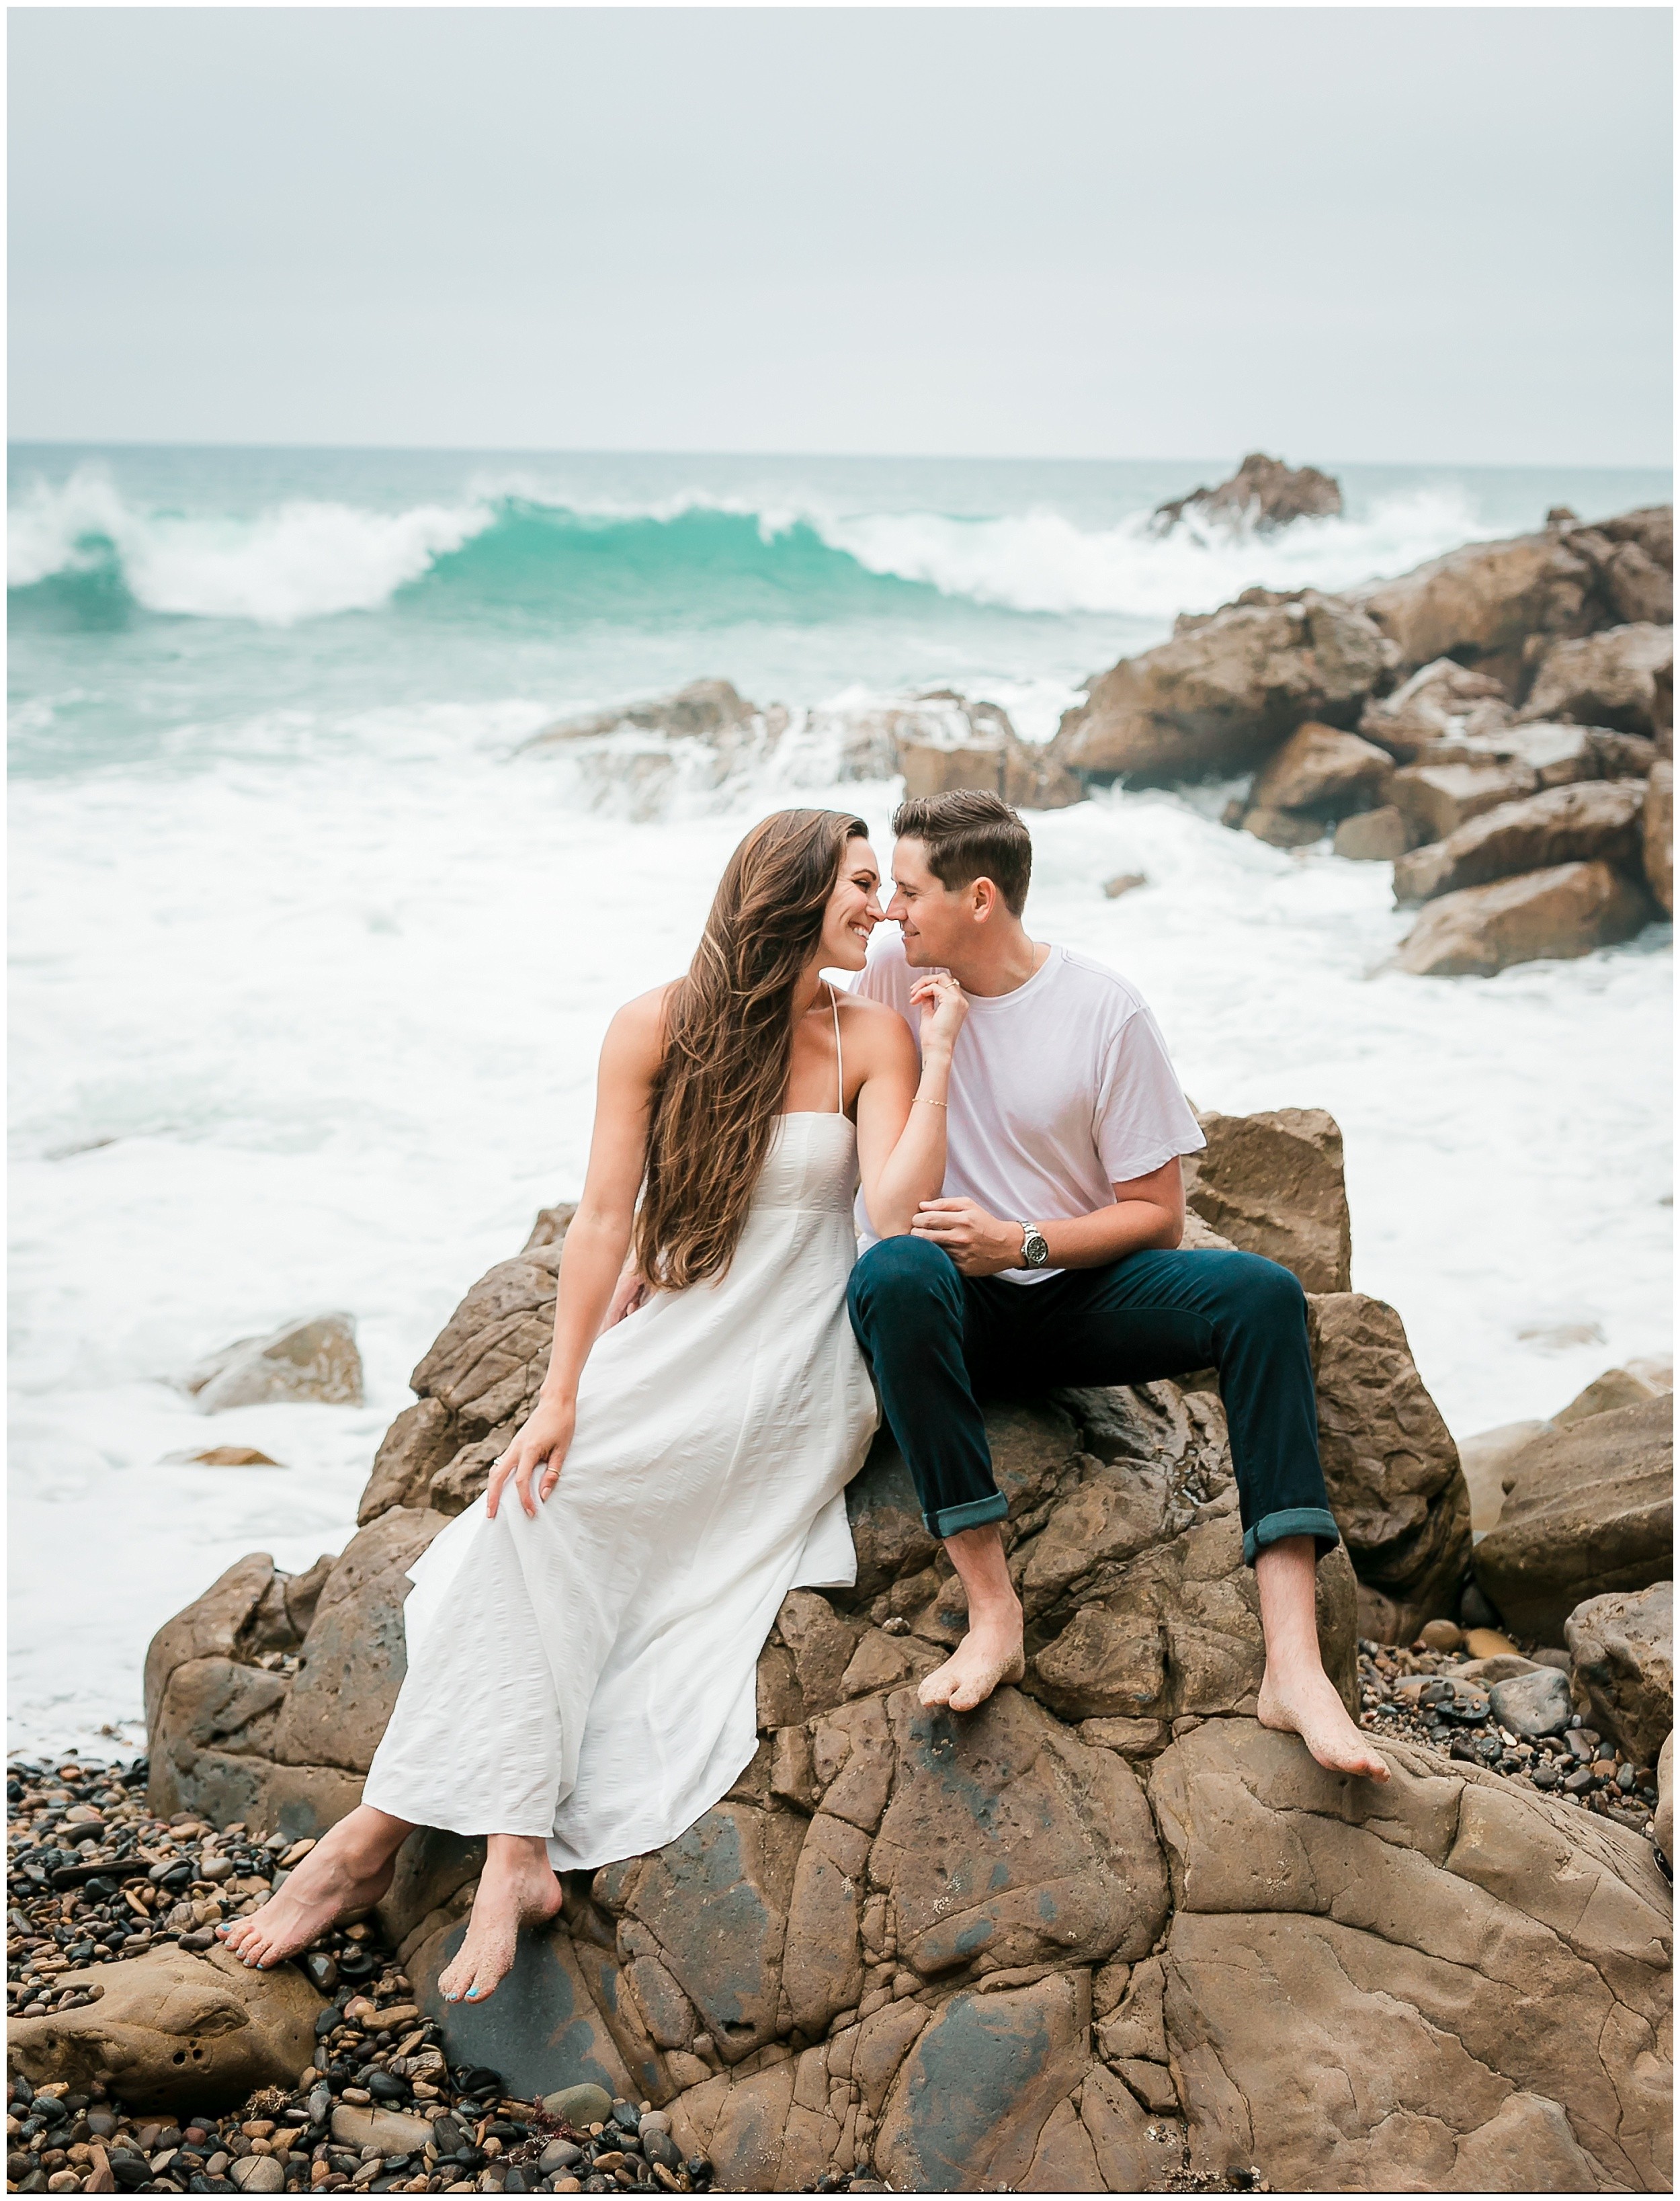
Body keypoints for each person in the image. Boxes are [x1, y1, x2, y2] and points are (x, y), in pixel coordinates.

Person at [218, 808, 969, 1996]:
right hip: (671, 1342)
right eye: (861, 886)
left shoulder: (873, 1032)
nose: (882, 909)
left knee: (534, 1535)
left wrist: (944, 1057)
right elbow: (605, 1218)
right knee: (522, 1514)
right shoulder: (653, 1025)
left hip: (792, 1373)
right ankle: (503, 1850)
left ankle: (368, 1845)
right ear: (787, 893)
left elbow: (894, 1207)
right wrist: (559, 1391)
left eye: (885, 887)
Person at [845, 788, 1388, 1782]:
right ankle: (994, 1611)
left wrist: (1025, 1241)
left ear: (979, 898)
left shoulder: (1104, 1011)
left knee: (1263, 1295)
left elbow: (1157, 1215)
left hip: (1069, 1301)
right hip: (945, 1308)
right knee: (893, 1270)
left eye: (909, 891)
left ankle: (1294, 1664)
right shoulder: (890, 973)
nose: (890, 912)